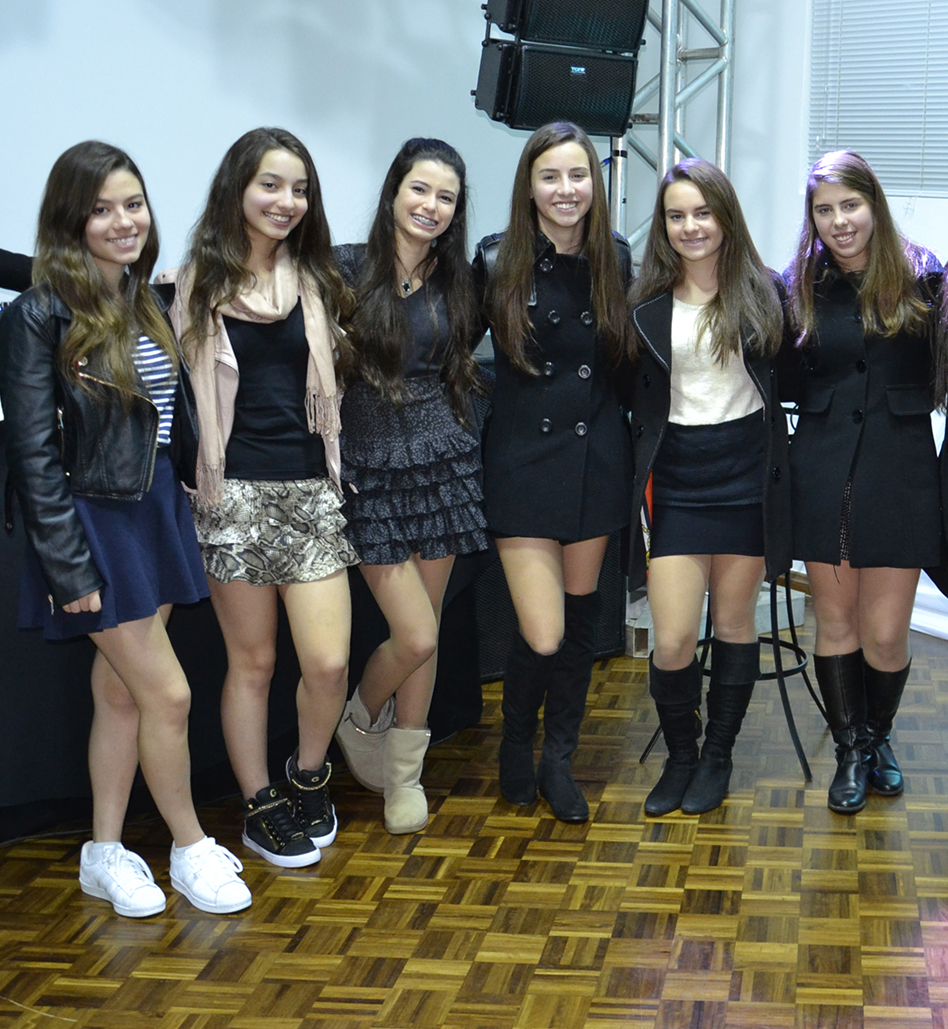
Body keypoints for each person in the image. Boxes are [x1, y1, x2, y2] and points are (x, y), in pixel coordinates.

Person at [0, 141, 251, 916]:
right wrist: (67, 566)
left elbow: (167, 420)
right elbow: (33, 453)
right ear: (69, 219)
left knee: (121, 693)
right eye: (101, 209)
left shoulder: (146, 299)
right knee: (169, 695)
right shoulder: (38, 314)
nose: (123, 221)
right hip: (89, 526)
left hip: (153, 513)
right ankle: (190, 845)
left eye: (133, 204)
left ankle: (103, 852)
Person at [158, 128, 358, 866]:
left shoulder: (319, 281)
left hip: (310, 494)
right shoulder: (189, 288)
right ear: (237, 188)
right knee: (254, 664)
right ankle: (259, 804)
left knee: (328, 663)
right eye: (271, 185)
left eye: (299, 189)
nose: (286, 201)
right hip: (230, 497)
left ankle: (307, 774)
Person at [473, 121, 633, 823]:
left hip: (595, 459)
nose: (566, 190)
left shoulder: (615, 257)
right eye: (551, 176)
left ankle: (557, 759)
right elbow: (443, 345)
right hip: (523, 464)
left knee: (580, 618)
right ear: (529, 186)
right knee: (542, 631)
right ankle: (515, 742)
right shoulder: (494, 259)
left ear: (594, 182)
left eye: (578, 175)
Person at [333, 138, 487, 835]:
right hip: (368, 468)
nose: (430, 205)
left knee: (430, 628)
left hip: (442, 463)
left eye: (445, 197)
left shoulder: (460, 282)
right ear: (394, 190)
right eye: (420, 189)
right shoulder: (343, 267)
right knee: (415, 634)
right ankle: (361, 717)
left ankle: (404, 775)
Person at [628, 158, 791, 817]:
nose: (690, 226)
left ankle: (717, 756)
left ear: (725, 216)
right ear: (663, 226)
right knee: (671, 640)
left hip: (747, 478)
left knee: (732, 624)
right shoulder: (644, 305)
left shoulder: (767, 293)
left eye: (702, 212)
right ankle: (682, 756)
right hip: (677, 482)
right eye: (676, 215)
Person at [783, 150, 943, 814]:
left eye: (850, 205)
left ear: (873, 204)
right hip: (822, 470)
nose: (839, 221)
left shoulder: (925, 278)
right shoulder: (798, 286)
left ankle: (878, 737)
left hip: (900, 472)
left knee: (884, 634)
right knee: (836, 622)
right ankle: (851, 750)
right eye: (825, 210)